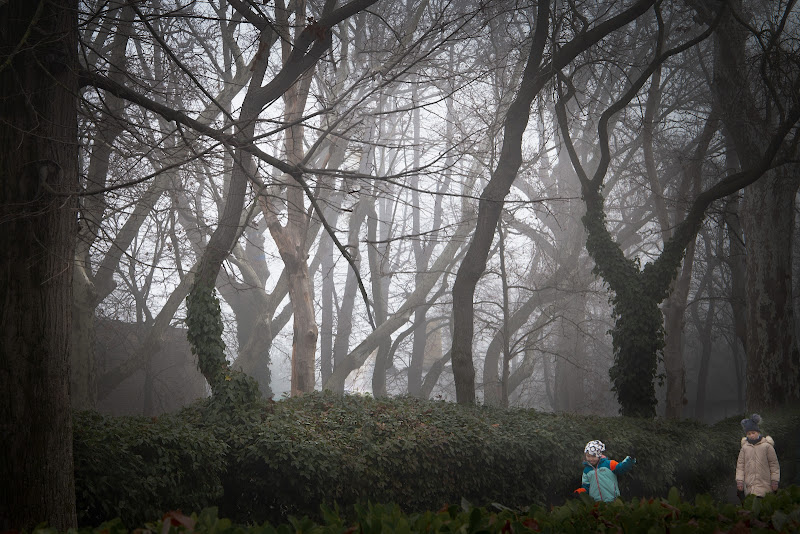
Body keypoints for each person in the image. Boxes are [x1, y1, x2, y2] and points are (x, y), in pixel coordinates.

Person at [736, 414, 780, 498]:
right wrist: (739, 481)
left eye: (753, 433)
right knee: (752, 507)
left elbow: (774, 464)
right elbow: (740, 466)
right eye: (749, 433)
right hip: (750, 486)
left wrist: (775, 480)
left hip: (765, 485)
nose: (751, 435)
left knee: (764, 507)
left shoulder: (767, 446)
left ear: (758, 432)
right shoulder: (745, 448)